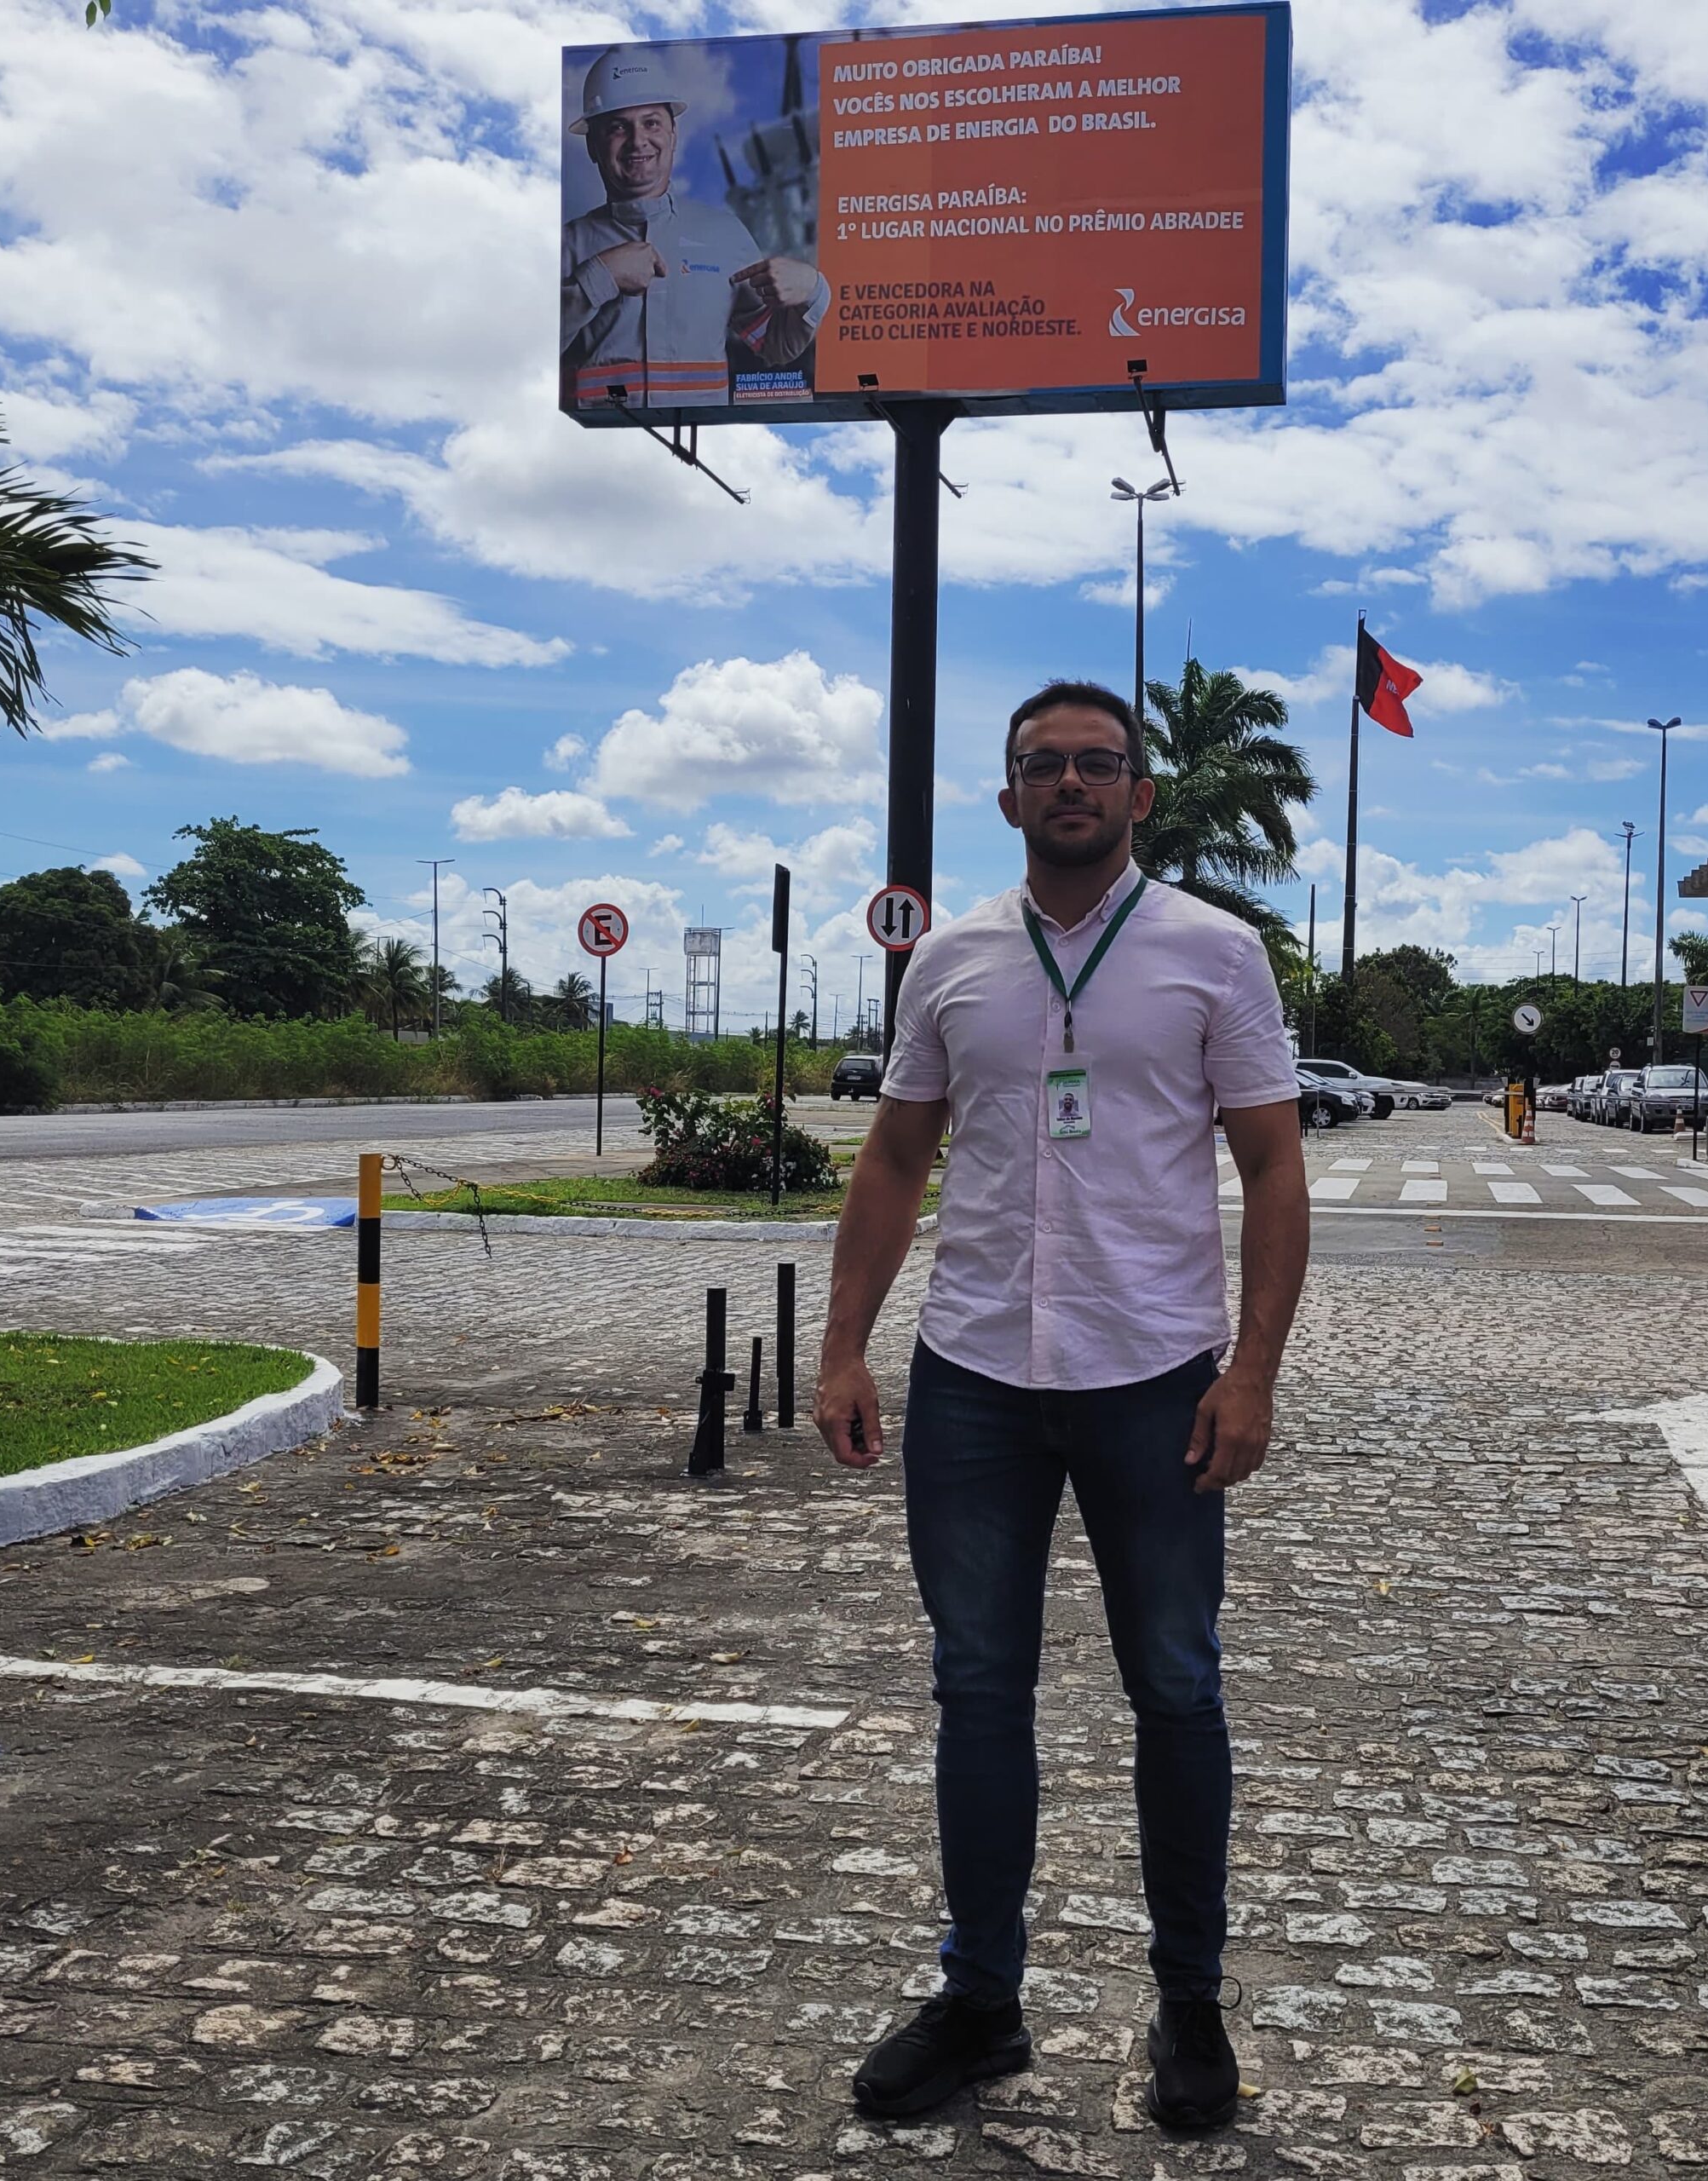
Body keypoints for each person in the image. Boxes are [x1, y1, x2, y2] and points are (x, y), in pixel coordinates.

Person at [816, 680, 1309, 2133]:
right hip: (974, 1377)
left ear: (1140, 796)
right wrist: (846, 1349)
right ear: (1010, 794)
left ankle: (1192, 2008)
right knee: (976, 1689)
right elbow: (897, 1160)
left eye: (1100, 764)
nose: (1074, 783)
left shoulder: (1216, 955)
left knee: (1177, 1685)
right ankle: (981, 1999)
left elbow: (1275, 1170)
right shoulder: (955, 962)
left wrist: (1255, 1370)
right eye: (1046, 765)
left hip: (1156, 1378)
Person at [561, 46, 828, 411]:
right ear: (592, 145)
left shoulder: (725, 235)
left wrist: (814, 289)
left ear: (673, 134)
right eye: (617, 127)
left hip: (707, 447)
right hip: (598, 447)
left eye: (651, 122)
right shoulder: (566, 246)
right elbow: (528, 355)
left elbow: (775, 346)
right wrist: (598, 279)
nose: (638, 140)